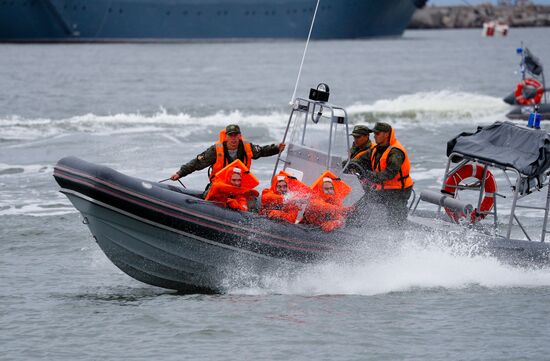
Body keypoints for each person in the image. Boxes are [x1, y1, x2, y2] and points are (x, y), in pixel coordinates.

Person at [170, 124, 286, 183]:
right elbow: (196, 163)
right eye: (231, 135)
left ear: (240, 136)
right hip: (220, 184)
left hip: (239, 184)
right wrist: (180, 173)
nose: (234, 138)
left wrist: (276, 148)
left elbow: (262, 151)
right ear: (226, 136)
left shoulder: (247, 147)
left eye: (236, 135)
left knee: (251, 200)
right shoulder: (216, 150)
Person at [350, 122, 413, 225]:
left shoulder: (396, 152)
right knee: (361, 201)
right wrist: (349, 164)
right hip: (385, 189)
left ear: (386, 134)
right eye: (374, 133)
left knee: (396, 219)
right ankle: (354, 226)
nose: (374, 136)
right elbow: (360, 160)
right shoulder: (376, 149)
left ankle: (398, 235)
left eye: (377, 133)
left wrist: (367, 175)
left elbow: (389, 174)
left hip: (399, 191)